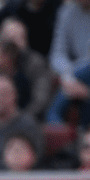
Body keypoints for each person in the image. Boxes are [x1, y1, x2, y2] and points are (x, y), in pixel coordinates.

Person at [45, 0, 90, 128]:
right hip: (77, 74)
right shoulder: (67, 12)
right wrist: (69, 77)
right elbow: (57, 54)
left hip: (83, 72)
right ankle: (59, 130)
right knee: (55, 109)